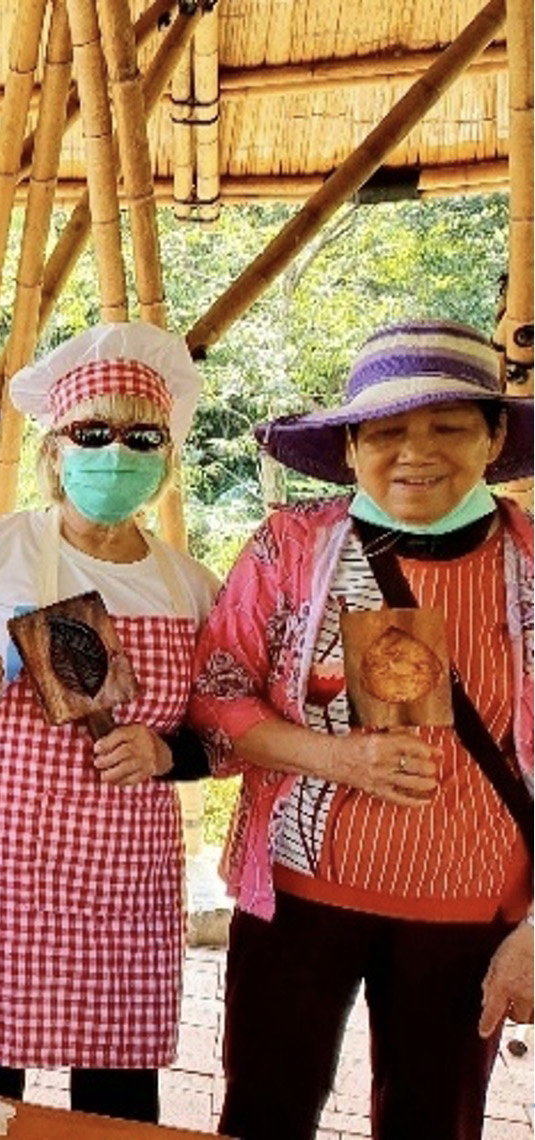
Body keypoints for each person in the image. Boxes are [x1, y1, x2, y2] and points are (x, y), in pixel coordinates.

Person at [188, 318, 534, 1140]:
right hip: (298, 899)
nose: (415, 451)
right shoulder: (292, 545)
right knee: (264, 1109)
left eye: (448, 426)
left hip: (471, 914)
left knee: (433, 1121)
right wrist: (334, 755)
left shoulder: (529, 558)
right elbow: (217, 689)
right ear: (348, 449)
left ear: (492, 438)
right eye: (385, 432)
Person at [0, 323, 218, 1123]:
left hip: (118, 870)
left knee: (114, 1084)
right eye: (91, 433)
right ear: (52, 452)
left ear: (164, 459)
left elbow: (221, 732)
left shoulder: (190, 586)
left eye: (140, 437)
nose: (115, 453)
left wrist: (164, 753)